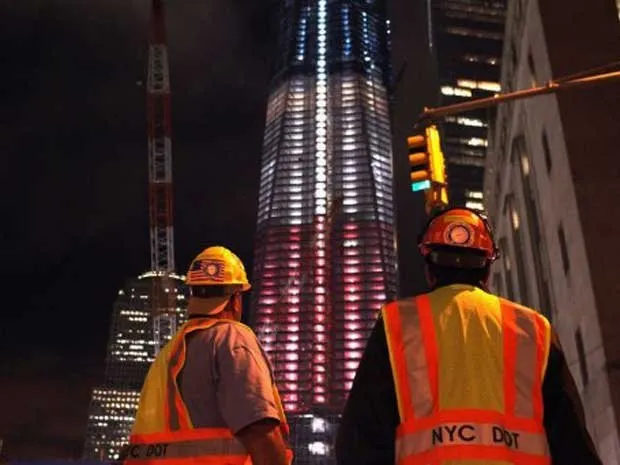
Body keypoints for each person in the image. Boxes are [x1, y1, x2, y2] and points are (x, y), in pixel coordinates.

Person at [335, 207, 602, 465]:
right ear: (487, 268)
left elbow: (358, 443)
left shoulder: (397, 324)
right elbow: (572, 444)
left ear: (429, 267)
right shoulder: (534, 329)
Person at [122, 246, 292, 465]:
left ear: (193, 293)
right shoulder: (231, 337)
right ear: (235, 299)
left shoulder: (169, 354)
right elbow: (260, 433)